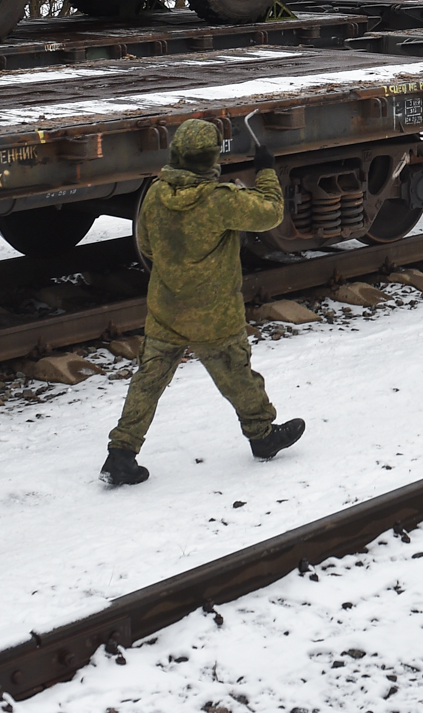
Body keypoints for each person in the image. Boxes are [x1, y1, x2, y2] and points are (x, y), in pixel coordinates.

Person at [101, 119, 305, 486]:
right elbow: (272, 212)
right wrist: (266, 171)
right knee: (237, 373)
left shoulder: (154, 195)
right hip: (214, 314)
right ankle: (261, 436)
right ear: (212, 157)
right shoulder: (219, 200)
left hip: (167, 309)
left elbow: (146, 247)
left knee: (148, 380)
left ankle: (120, 454)